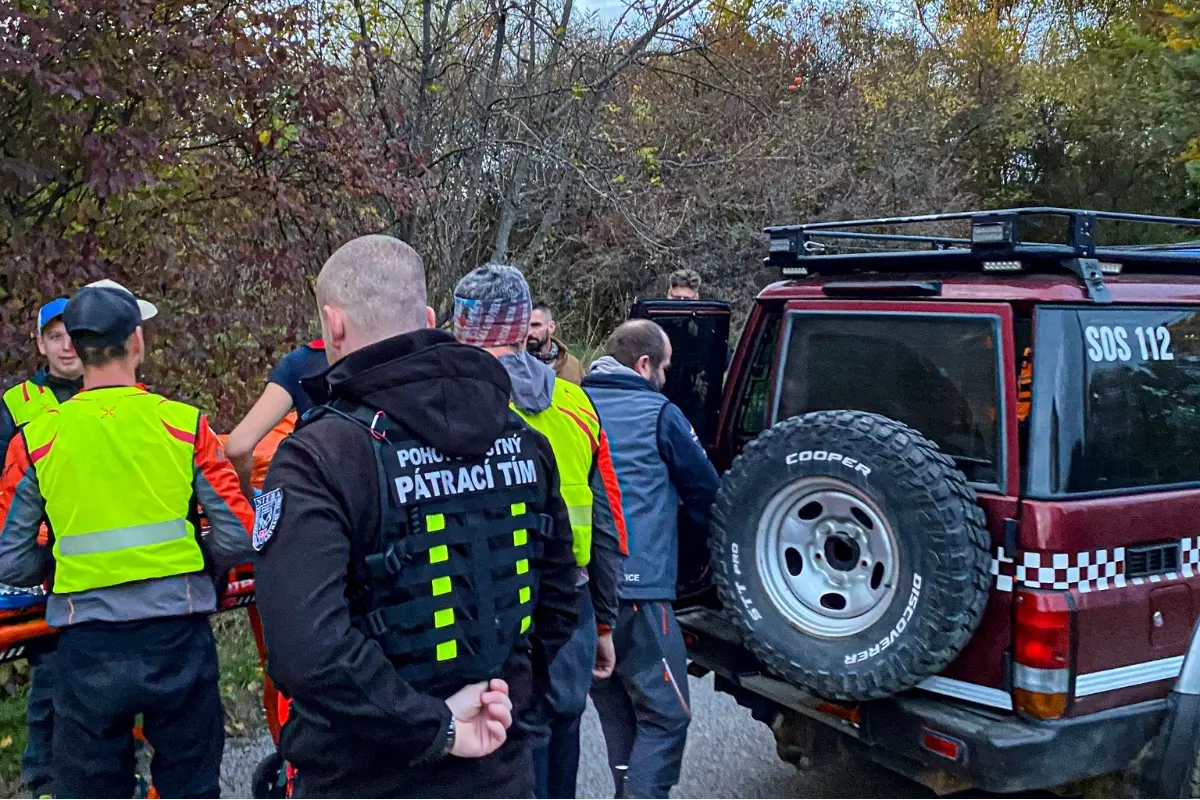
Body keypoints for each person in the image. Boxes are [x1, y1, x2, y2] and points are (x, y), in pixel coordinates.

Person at [253, 235, 580, 797]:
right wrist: (511, 711)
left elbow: (306, 650)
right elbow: (559, 598)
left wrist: (438, 727)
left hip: (363, 778)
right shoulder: (523, 439)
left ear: (333, 326)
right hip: (502, 767)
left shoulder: (319, 455)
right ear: (428, 319)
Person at [0, 285, 256, 798]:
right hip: (177, 637)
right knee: (192, 787)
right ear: (136, 341)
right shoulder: (184, 426)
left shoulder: (35, 438)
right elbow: (239, 535)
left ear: (74, 343)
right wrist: (195, 560)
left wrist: (55, 565)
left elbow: (11, 558)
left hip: (85, 640)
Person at [453, 265, 627, 799]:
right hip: (569, 599)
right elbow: (606, 520)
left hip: (486, 601)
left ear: (463, 324)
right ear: (522, 325)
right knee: (562, 731)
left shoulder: (451, 401)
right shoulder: (577, 402)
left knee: (493, 740)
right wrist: (603, 622)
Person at [582, 319, 721, 800]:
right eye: (664, 367)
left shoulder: (573, 404)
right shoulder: (660, 412)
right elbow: (707, 494)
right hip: (638, 592)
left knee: (616, 707)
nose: (666, 376)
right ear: (644, 365)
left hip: (581, 596)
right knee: (666, 716)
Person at [0, 297, 84, 799]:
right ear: (40, 344)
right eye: (55, 336)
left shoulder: (120, 392)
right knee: (50, 674)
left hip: (103, 557)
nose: (67, 344)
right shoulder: (17, 406)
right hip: (41, 561)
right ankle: (43, 779)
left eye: (74, 333)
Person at [224, 339, 327, 497]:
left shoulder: (301, 362)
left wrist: (249, 496)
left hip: (312, 499)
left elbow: (238, 447)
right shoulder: (377, 359)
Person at [526, 302, 585, 385]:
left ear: (551, 327)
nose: (529, 332)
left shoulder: (573, 366)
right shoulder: (515, 366)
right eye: (525, 326)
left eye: (536, 325)